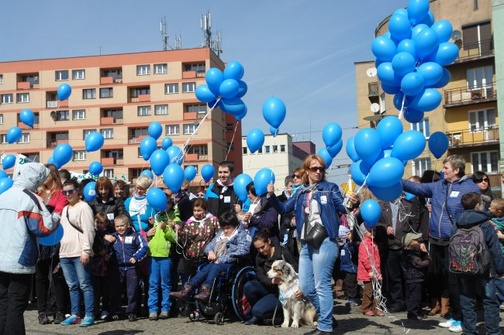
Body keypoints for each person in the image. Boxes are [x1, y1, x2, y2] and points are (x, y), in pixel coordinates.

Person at [266, 154, 359, 335]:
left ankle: (324, 326)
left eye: (321, 169)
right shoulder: (300, 191)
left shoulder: (330, 188)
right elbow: (284, 209)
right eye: (314, 168)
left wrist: (353, 201)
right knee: (306, 286)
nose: (318, 171)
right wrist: (271, 196)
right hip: (307, 242)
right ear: (307, 170)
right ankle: (327, 317)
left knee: (321, 284)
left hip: (326, 240)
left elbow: (343, 207)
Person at [401, 155, 480, 330]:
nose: (442, 171)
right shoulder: (439, 186)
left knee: (457, 281)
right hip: (436, 241)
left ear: (456, 170)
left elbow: (477, 206)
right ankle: (454, 316)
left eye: (446, 168)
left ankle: (462, 319)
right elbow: (418, 188)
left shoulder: (469, 186)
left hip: (456, 241)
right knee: (445, 280)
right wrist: (397, 181)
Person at [0, 163, 59, 335]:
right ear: (36, 179)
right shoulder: (30, 198)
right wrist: (55, 217)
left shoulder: (3, 195)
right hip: (20, 259)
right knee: (16, 306)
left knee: (3, 303)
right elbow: (43, 227)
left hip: (1, 258)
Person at [170, 211, 251, 303]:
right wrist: (210, 251)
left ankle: (206, 291)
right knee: (206, 268)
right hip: (217, 262)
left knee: (215, 266)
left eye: (228, 228)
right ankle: (186, 290)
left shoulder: (242, 234)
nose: (225, 231)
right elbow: (209, 245)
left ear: (235, 225)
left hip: (233, 263)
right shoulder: (221, 234)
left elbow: (243, 251)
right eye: (223, 228)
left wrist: (222, 259)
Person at [455, 192, 504, 335]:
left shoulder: (457, 222)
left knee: (466, 300)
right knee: (490, 301)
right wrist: (501, 269)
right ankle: (493, 332)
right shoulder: (486, 223)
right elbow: (495, 248)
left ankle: (469, 331)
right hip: (485, 268)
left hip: (462, 266)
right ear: (478, 205)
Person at [35, 164, 69, 325]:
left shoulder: (60, 194)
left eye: (45, 175)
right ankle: (42, 311)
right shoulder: (38, 194)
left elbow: (60, 212)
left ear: (53, 176)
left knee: (57, 275)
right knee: (40, 276)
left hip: (56, 238)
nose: (42, 178)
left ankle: (59, 310)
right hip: (40, 239)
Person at [59, 179, 96, 327]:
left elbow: (89, 230)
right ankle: (75, 314)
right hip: (65, 253)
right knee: (72, 286)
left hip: (79, 251)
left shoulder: (84, 207)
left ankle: (89, 314)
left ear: (78, 191)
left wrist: (86, 251)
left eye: (70, 191)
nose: (68, 195)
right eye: (65, 192)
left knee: (85, 285)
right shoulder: (65, 209)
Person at [243, 230, 299, 325]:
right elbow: (259, 275)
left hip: (284, 292)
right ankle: (263, 312)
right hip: (269, 288)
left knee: (257, 311)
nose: (261, 250)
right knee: (249, 286)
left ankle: (272, 313)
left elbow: (296, 268)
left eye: (262, 247)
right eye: (258, 249)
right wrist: (272, 281)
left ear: (268, 241)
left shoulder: (283, 252)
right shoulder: (259, 257)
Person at [376, 193, 415, 313]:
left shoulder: (408, 205)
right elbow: (375, 223)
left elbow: (414, 224)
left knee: (408, 276)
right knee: (394, 277)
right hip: (389, 246)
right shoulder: (381, 206)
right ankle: (398, 302)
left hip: (405, 246)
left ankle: (411, 302)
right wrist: (385, 227)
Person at [109, 214, 148, 321]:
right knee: (116, 291)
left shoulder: (135, 236)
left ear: (128, 225)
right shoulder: (113, 237)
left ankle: (132, 312)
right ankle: (116, 311)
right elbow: (108, 249)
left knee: (132, 291)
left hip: (132, 268)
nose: (119, 228)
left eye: (122, 226)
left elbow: (144, 247)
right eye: (117, 226)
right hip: (118, 268)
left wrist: (136, 257)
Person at [145, 196, 178, 321]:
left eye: (167, 204)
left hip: (165, 256)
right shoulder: (155, 217)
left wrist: (167, 229)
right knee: (153, 284)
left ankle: (165, 309)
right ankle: (152, 309)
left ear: (170, 205)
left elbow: (175, 239)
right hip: (153, 255)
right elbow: (150, 237)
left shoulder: (174, 218)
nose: (164, 207)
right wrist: (148, 234)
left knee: (165, 284)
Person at [401, 232, 430, 320]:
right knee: (414, 296)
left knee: (416, 295)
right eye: (416, 240)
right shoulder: (410, 254)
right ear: (410, 242)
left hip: (414, 277)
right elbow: (420, 264)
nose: (419, 241)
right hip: (414, 278)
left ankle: (418, 311)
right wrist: (428, 258)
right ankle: (413, 313)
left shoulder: (411, 251)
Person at [357, 224, 383, 317]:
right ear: (364, 232)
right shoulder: (364, 243)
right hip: (367, 273)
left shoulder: (374, 244)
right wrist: (369, 270)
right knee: (368, 290)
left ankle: (376, 307)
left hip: (376, 272)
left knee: (377, 290)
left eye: (374, 231)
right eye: (370, 231)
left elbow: (377, 259)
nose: (373, 233)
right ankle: (366, 307)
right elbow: (364, 258)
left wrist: (378, 271)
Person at [337, 226, 360, 309]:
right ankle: (350, 296)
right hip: (344, 268)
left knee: (351, 284)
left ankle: (352, 299)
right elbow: (339, 244)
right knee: (347, 283)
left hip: (351, 268)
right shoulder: (342, 245)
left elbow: (353, 249)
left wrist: (351, 240)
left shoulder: (350, 245)